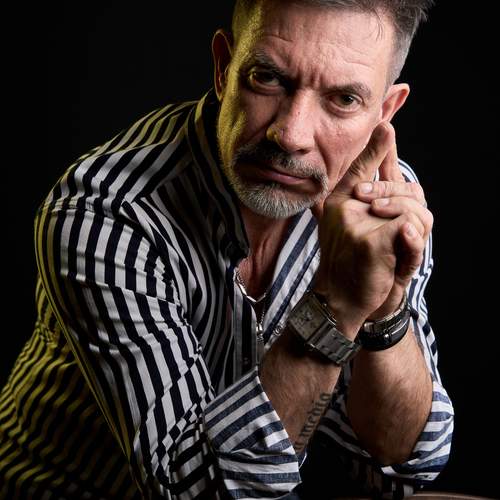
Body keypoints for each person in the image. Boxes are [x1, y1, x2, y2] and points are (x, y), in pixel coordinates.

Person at [0, 0, 454, 498]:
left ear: (384, 112)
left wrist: (386, 309)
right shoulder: (107, 214)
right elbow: (191, 488)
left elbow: (401, 465)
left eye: (343, 99)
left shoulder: (381, 208)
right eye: (268, 78)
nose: (291, 135)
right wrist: (336, 305)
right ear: (223, 67)